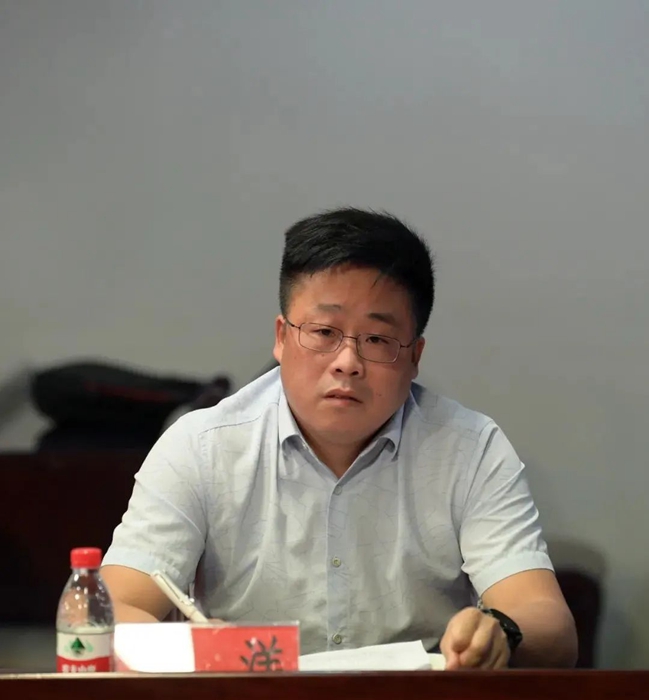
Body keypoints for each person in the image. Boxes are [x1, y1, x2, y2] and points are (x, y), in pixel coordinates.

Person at [101, 208, 577, 669]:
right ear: (281, 337)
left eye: (377, 340)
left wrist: (501, 633)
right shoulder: (200, 447)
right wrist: (195, 648)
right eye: (324, 331)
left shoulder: (470, 450)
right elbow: (111, 611)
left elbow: (548, 623)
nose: (347, 362)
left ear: (415, 357)